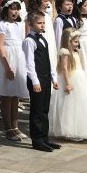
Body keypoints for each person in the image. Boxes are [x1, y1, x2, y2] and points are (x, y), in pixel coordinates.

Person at [48, 28, 87, 142]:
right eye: (75, 42)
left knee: (81, 103)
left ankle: (80, 129)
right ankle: (69, 130)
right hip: (71, 79)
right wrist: (68, 83)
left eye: (78, 41)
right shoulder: (65, 52)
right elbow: (64, 68)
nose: (77, 44)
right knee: (69, 105)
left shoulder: (76, 52)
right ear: (68, 41)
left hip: (80, 79)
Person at [22, 9, 59, 152]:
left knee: (44, 110)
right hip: (36, 79)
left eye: (44, 23)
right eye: (39, 23)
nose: (42, 25)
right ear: (31, 24)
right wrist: (35, 81)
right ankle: (37, 140)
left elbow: (47, 60)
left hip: (45, 77)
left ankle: (45, 138)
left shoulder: (43, 39)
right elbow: (30, 64)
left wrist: (53, 77)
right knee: (37, 111)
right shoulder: (29, 41)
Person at [0, 0, 27, 142]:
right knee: (7, 95)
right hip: (8, 58)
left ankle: (15, 125)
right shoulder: (1, 25)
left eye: (17, 9)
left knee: (15, 95)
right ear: (6, 10)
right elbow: (0, 46)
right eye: (12, 9)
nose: (15, 12)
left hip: (19, 57)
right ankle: (7, 127)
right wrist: (7, 67)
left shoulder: (21, 25)